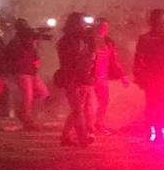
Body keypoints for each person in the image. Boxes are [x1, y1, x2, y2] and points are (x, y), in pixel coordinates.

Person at [133, 9, 164, 143]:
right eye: (160, 21)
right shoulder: (147, 39)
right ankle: (152, 132)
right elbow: (138, 59)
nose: (162, 24)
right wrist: (138, 75)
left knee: (158, 106)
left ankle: (155, 132)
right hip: (153, 76)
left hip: (163, 76)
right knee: (153, 105)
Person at [55, 13, 96, 147]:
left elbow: (91, 57)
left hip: (83, 77)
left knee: (77, 109)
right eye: (81, 23)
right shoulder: (65, 41)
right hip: (71, 78)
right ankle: (82, 138)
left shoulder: (85, 39)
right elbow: (68, 60)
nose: (84, 26)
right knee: (78, 109)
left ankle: (65, 136)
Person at [7, 19, 51, 130]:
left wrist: (35, 44)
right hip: (22, 72)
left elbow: (35, 56)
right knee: (27, 97)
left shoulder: (29, 40)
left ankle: (23, 112)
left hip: (31, 72)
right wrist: (31, 43)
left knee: (43, 93)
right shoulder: (15, 42)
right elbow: (16, 56)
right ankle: (27, 121)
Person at [90, 18, 128, 135]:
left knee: (104, 101)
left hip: (102, 77)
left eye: (105, 27)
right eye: (101, 26)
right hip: (90, 77)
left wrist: (122, 76)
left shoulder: (108, 42)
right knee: (88, 104)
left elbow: (114, 61)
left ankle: (98, 124)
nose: (104, 29)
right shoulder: (89, 41)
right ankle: (88, 126)